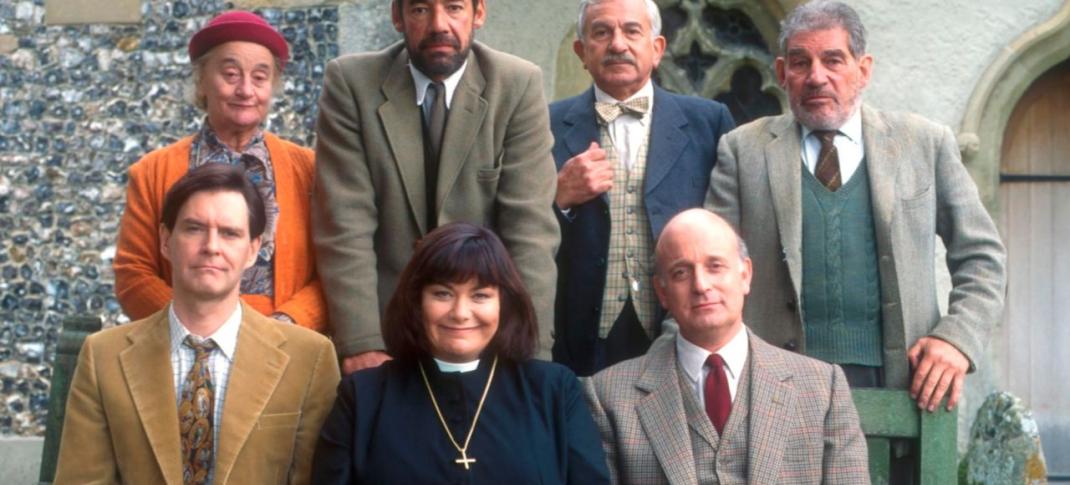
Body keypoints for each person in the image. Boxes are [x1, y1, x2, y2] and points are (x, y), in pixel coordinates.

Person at [705, 0, 1006, 413]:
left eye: (833, 60)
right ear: (780, 73)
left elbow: (983, 259)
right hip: (773, 388)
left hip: (901, 387)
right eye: (800, 63)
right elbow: (709, 266)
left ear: (863, 70)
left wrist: (957, 338)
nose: (816, 77)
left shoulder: (924, 144)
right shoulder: (743, 151)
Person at [313, 0, 559, 375]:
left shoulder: (517, 84)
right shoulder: (351, 83)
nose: (438, 24)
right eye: (420, 10)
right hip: (387, 329)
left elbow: (530, 232)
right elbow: (345, 227)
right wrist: (361, 342)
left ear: (479, 13)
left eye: (454, 8)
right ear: (397, 17)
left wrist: (531, 354)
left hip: (483, 329)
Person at [55, 164, 340, 485]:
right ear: (165, 239)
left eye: (230, 233)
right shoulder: (102, 357)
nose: (211, 246)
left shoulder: (310, 359)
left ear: (253, 250)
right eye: (194, 228)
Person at [584, 209, 868, 484]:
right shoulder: (608, 397)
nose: (701, 285)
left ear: (745, 275)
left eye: (715, 266)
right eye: (681, 272)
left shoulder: (822, 388)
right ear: (662, 292)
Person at [311, 222, 609, 484]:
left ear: (504, 304)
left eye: (480, 295)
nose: (461, 313)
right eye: (443, 294)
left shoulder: (554, 390)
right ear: (416, 302)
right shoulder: (363, 397)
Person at [551, 0, 735, 376]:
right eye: (601, 33)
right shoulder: (545, 125)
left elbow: (731, 232)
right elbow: (517, 234)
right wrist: (557, 197)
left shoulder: (709, 123)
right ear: (581, 52)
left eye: (632, 31)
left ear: (658, 48)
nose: (618, 44)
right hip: (580, 341)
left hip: (680, 332)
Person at [113, 10, 327, 332]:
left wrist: (286, 325)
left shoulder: (310, 171)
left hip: (286, 343)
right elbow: (133, 272)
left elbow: (336, 268)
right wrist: (194, 328)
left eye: (259, 77)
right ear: (202, 82)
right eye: (230, 74)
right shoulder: (153, 171)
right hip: (183, 341)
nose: (245, 90)